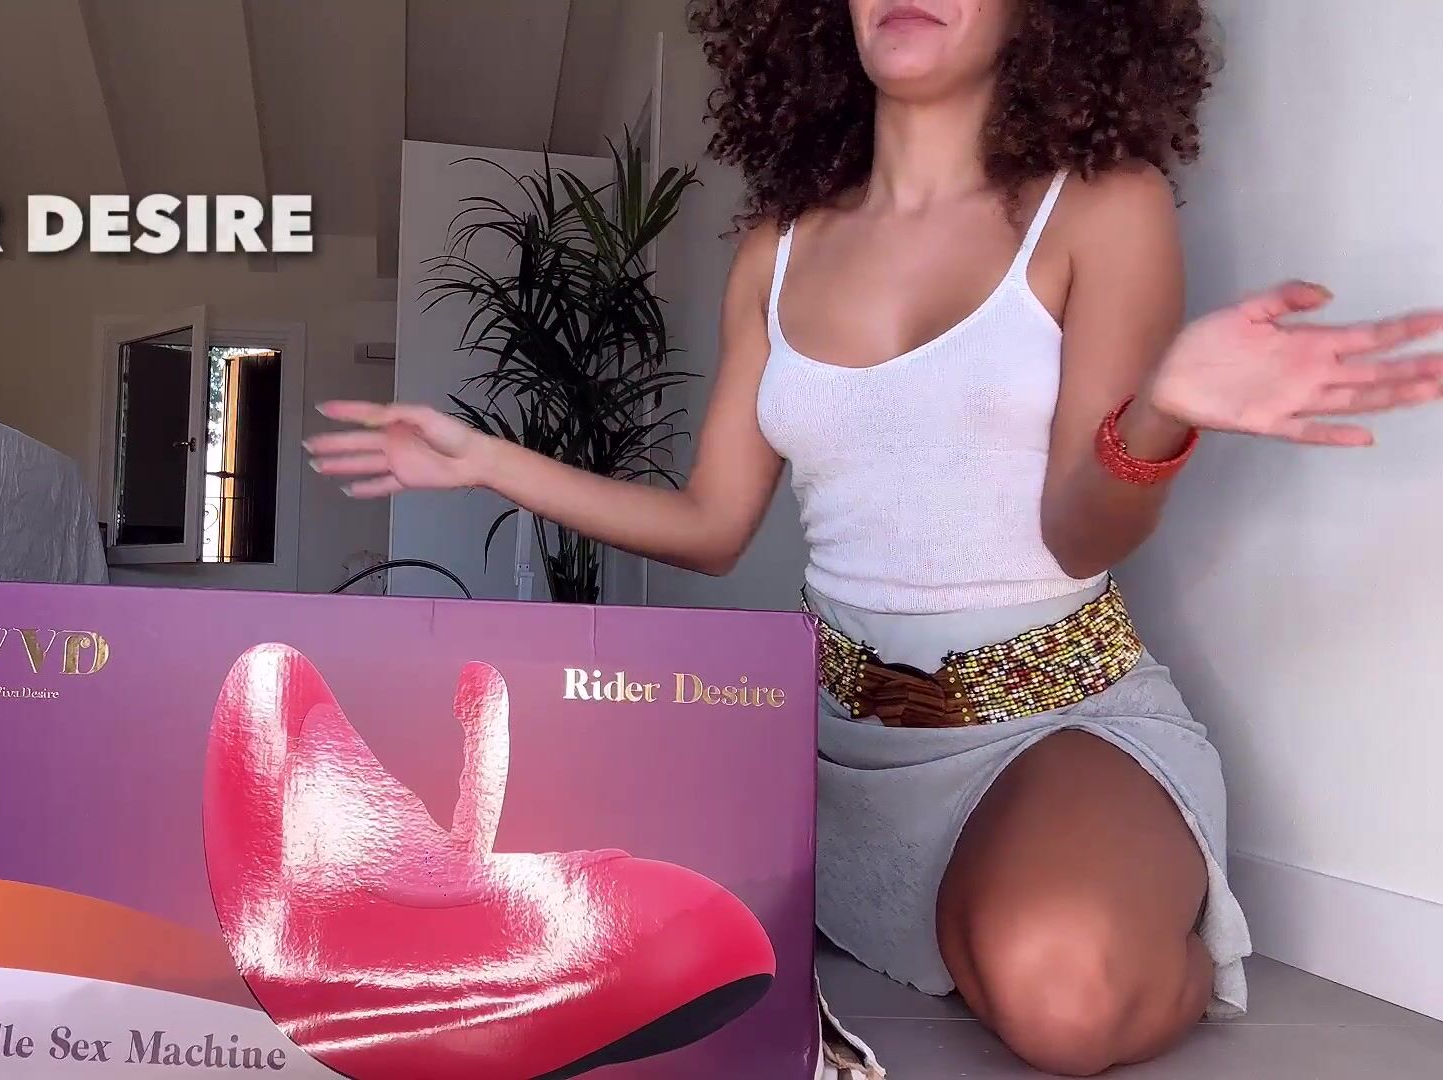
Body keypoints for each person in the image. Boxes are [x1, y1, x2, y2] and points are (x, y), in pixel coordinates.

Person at [306, 1, 1443, 1075]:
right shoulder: (776, 249)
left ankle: (1139, 916)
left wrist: (1161, 412)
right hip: (816, 738)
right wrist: (485, 459)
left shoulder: (1101, 206)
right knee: (527, 881)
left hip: (1047, 725)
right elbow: (710, 527)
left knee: (1066, 1001)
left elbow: (1080, 531)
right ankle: (940, 905)